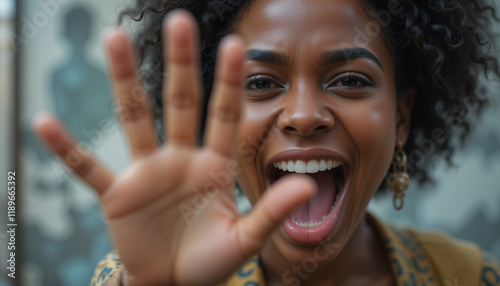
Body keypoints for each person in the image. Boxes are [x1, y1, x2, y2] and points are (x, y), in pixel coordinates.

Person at [33, 0, 500, 285]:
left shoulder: (469, 276)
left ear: (400, 118)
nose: (302, 115)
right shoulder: (139, 278)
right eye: (259, 83)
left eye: (350, 79)